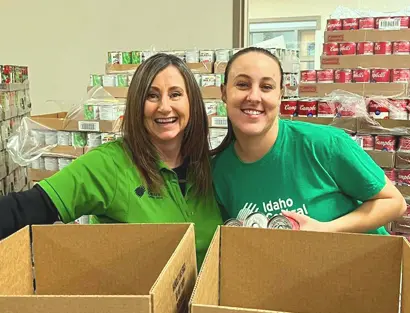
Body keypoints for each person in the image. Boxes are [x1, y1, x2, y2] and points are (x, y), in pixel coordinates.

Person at [0, 53, 222, 267]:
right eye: (151, 95)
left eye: (175, 94)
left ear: (192, 103)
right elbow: (22, 208)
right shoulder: (110, 164)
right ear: (137, 105)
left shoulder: (212, 167)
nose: (164, 107)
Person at [211, 47, 406, 234]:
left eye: (266, 87)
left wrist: (326, 230)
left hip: (363, 263)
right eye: (242, 84)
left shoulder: (324, 144)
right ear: (224, 93)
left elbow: (394, 202)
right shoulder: (219, 172)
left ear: (280, 95)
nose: (254, 96)